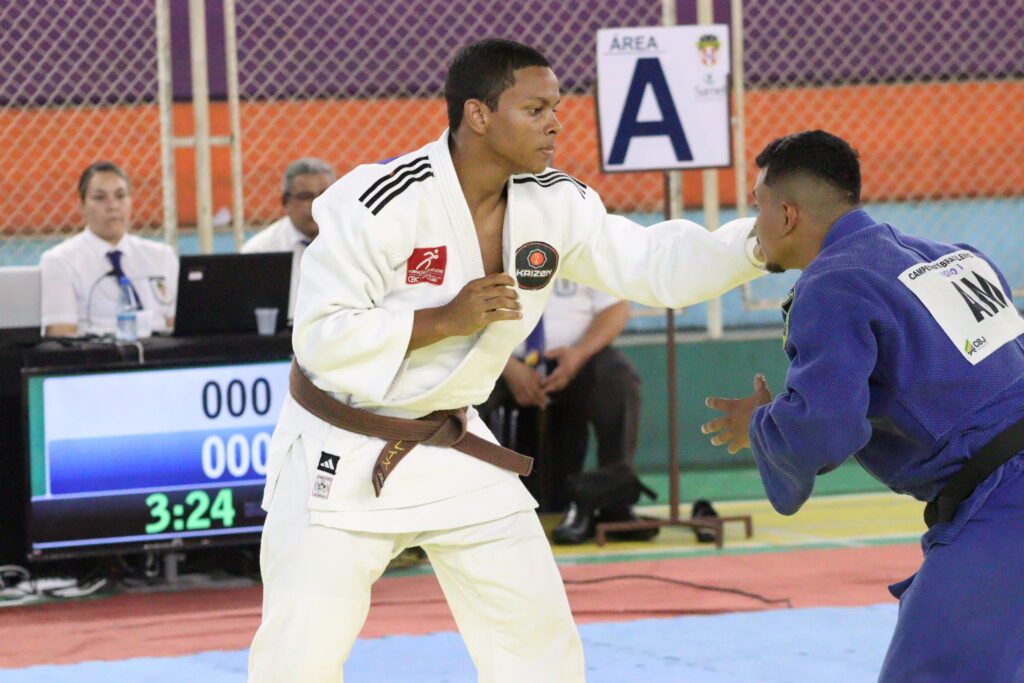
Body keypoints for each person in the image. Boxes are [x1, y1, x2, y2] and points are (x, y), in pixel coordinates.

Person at [248, 39, 763, 683]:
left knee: (537, 636)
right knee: (299, 656)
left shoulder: (555, 203)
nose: (555, 123)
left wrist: (758, 245)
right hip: (344, 444)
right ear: (479, 115)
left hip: (452, 442)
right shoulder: (380, 201)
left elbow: (654, 263)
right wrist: (444, 319)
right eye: (535, 109)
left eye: (556, 108)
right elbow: (321, 338)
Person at [702, 130, 1024, 682]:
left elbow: (824, 428)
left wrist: (758, 423)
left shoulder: (833, 283)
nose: (754, 226)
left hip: (1005, 505)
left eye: (757, 206)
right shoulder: (953, 257)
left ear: (787, 214)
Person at [479, 279, 651, 543]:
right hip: (497, 363)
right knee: (460, 391)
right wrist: (506, 365)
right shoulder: (489, 254)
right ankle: (466, 505)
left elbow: (615, 308)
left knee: (617, 377)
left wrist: (579, 354)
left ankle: (613, 497)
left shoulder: (584, 254)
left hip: (575, 359)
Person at [39, 161, 178, 337]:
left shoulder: (161, 256)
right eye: (100, 198)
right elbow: (60, 335)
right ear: (81, 206)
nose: (113, 206)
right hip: (99, 352)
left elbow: (180, 327)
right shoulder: (61, 261)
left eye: (120, 196)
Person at [241, 158, 335, 321]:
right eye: (306, 196)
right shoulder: (260, 251)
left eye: (324, 194)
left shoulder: (357, 242)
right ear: (285, 202)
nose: (316, 204)